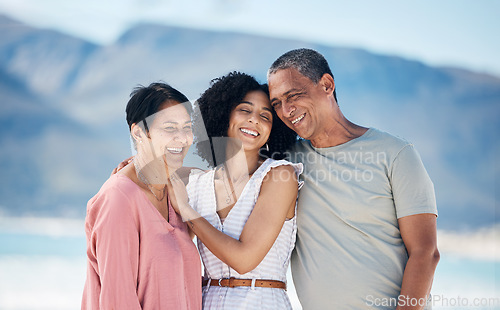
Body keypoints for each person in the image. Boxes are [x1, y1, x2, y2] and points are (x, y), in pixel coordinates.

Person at [266, 48, 440, 310]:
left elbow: (425, 253)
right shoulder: (285, 166)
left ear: (327, 85)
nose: (286, 110)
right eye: (277, 102)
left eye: (294, 95)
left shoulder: (395, 153)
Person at [167, 71, 303, 309]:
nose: (255, 120)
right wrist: (135, 167)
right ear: (223, 114)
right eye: (245, 110)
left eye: (265, 116)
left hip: (262, 301)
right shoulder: (197, 184)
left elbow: (244, 259)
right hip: (206, 302)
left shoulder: (280, 176)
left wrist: (187, 211)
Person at [81, 82, 202, 310]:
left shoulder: (174, 192)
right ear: (138, 132)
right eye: (169, 128)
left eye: (187, 127)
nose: (183, 138)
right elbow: (118, 299)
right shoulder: (119, 198)